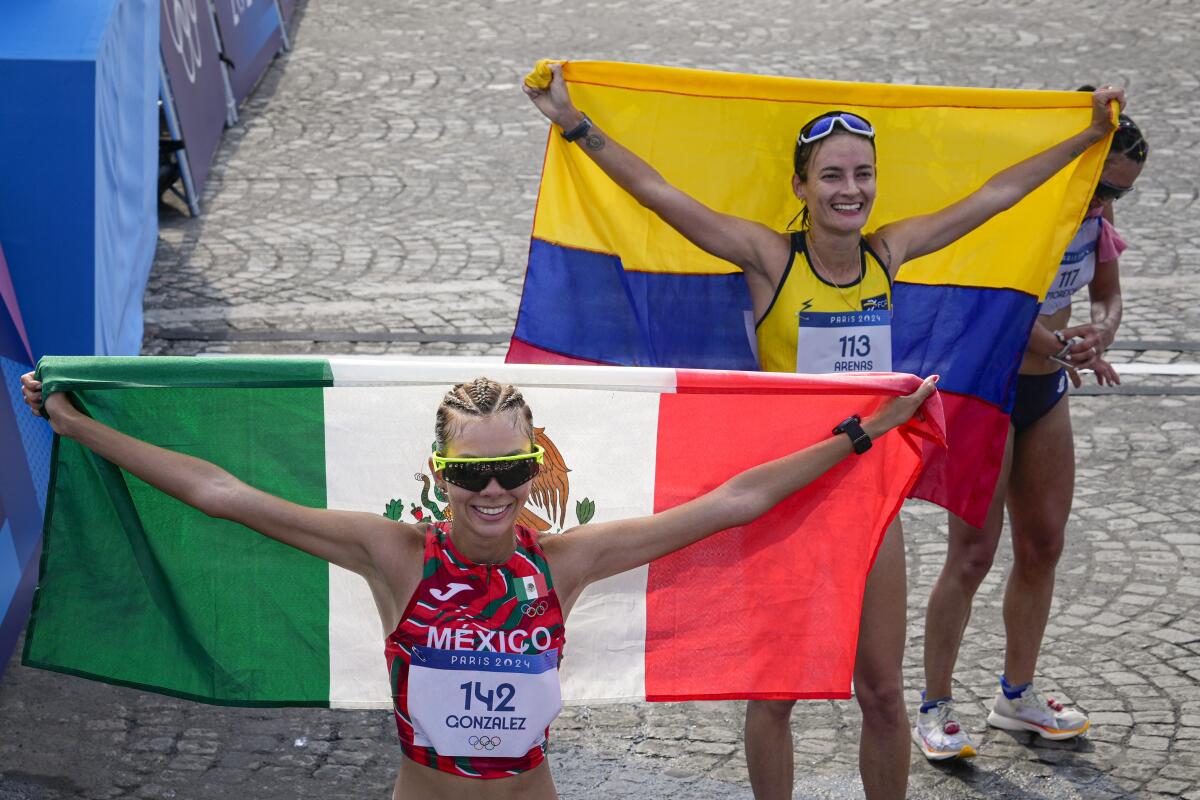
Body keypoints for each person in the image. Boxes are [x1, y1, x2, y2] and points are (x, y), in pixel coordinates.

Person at [523, 64, 1122, 800]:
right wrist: (574, 124)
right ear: (801, 187)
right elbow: (659, 195)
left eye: (863, 175)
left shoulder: (887, 254)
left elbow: (995, 196)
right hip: (784, 501)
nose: (851, 190)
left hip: (870, 501)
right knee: (774, 696)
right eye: (832, 175)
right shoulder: (769, 258)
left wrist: (1086, 137)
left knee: (880, 694)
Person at [20, 370, 935, 800]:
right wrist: (79, 426)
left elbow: (734, 502)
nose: (492, 492)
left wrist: (862, 434)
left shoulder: (564, 562)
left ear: (536, 467)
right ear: (438, 475)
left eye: (512, 470)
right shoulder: (395, 558)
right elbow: (221, 493)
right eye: (470, 475)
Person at [914, 110, 1148, 761]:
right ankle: (934, 707)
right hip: (985, 393)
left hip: (1045, 393)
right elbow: (988, 306)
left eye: (1120, 193)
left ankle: (1016, 695)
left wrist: (1102, 330)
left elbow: (1107, 292)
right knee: (972, 554)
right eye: (1102, 186)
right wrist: (1055, 343)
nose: (1106, 202)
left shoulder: (1095, 218)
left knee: (1043, 543)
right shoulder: (1021, 206)